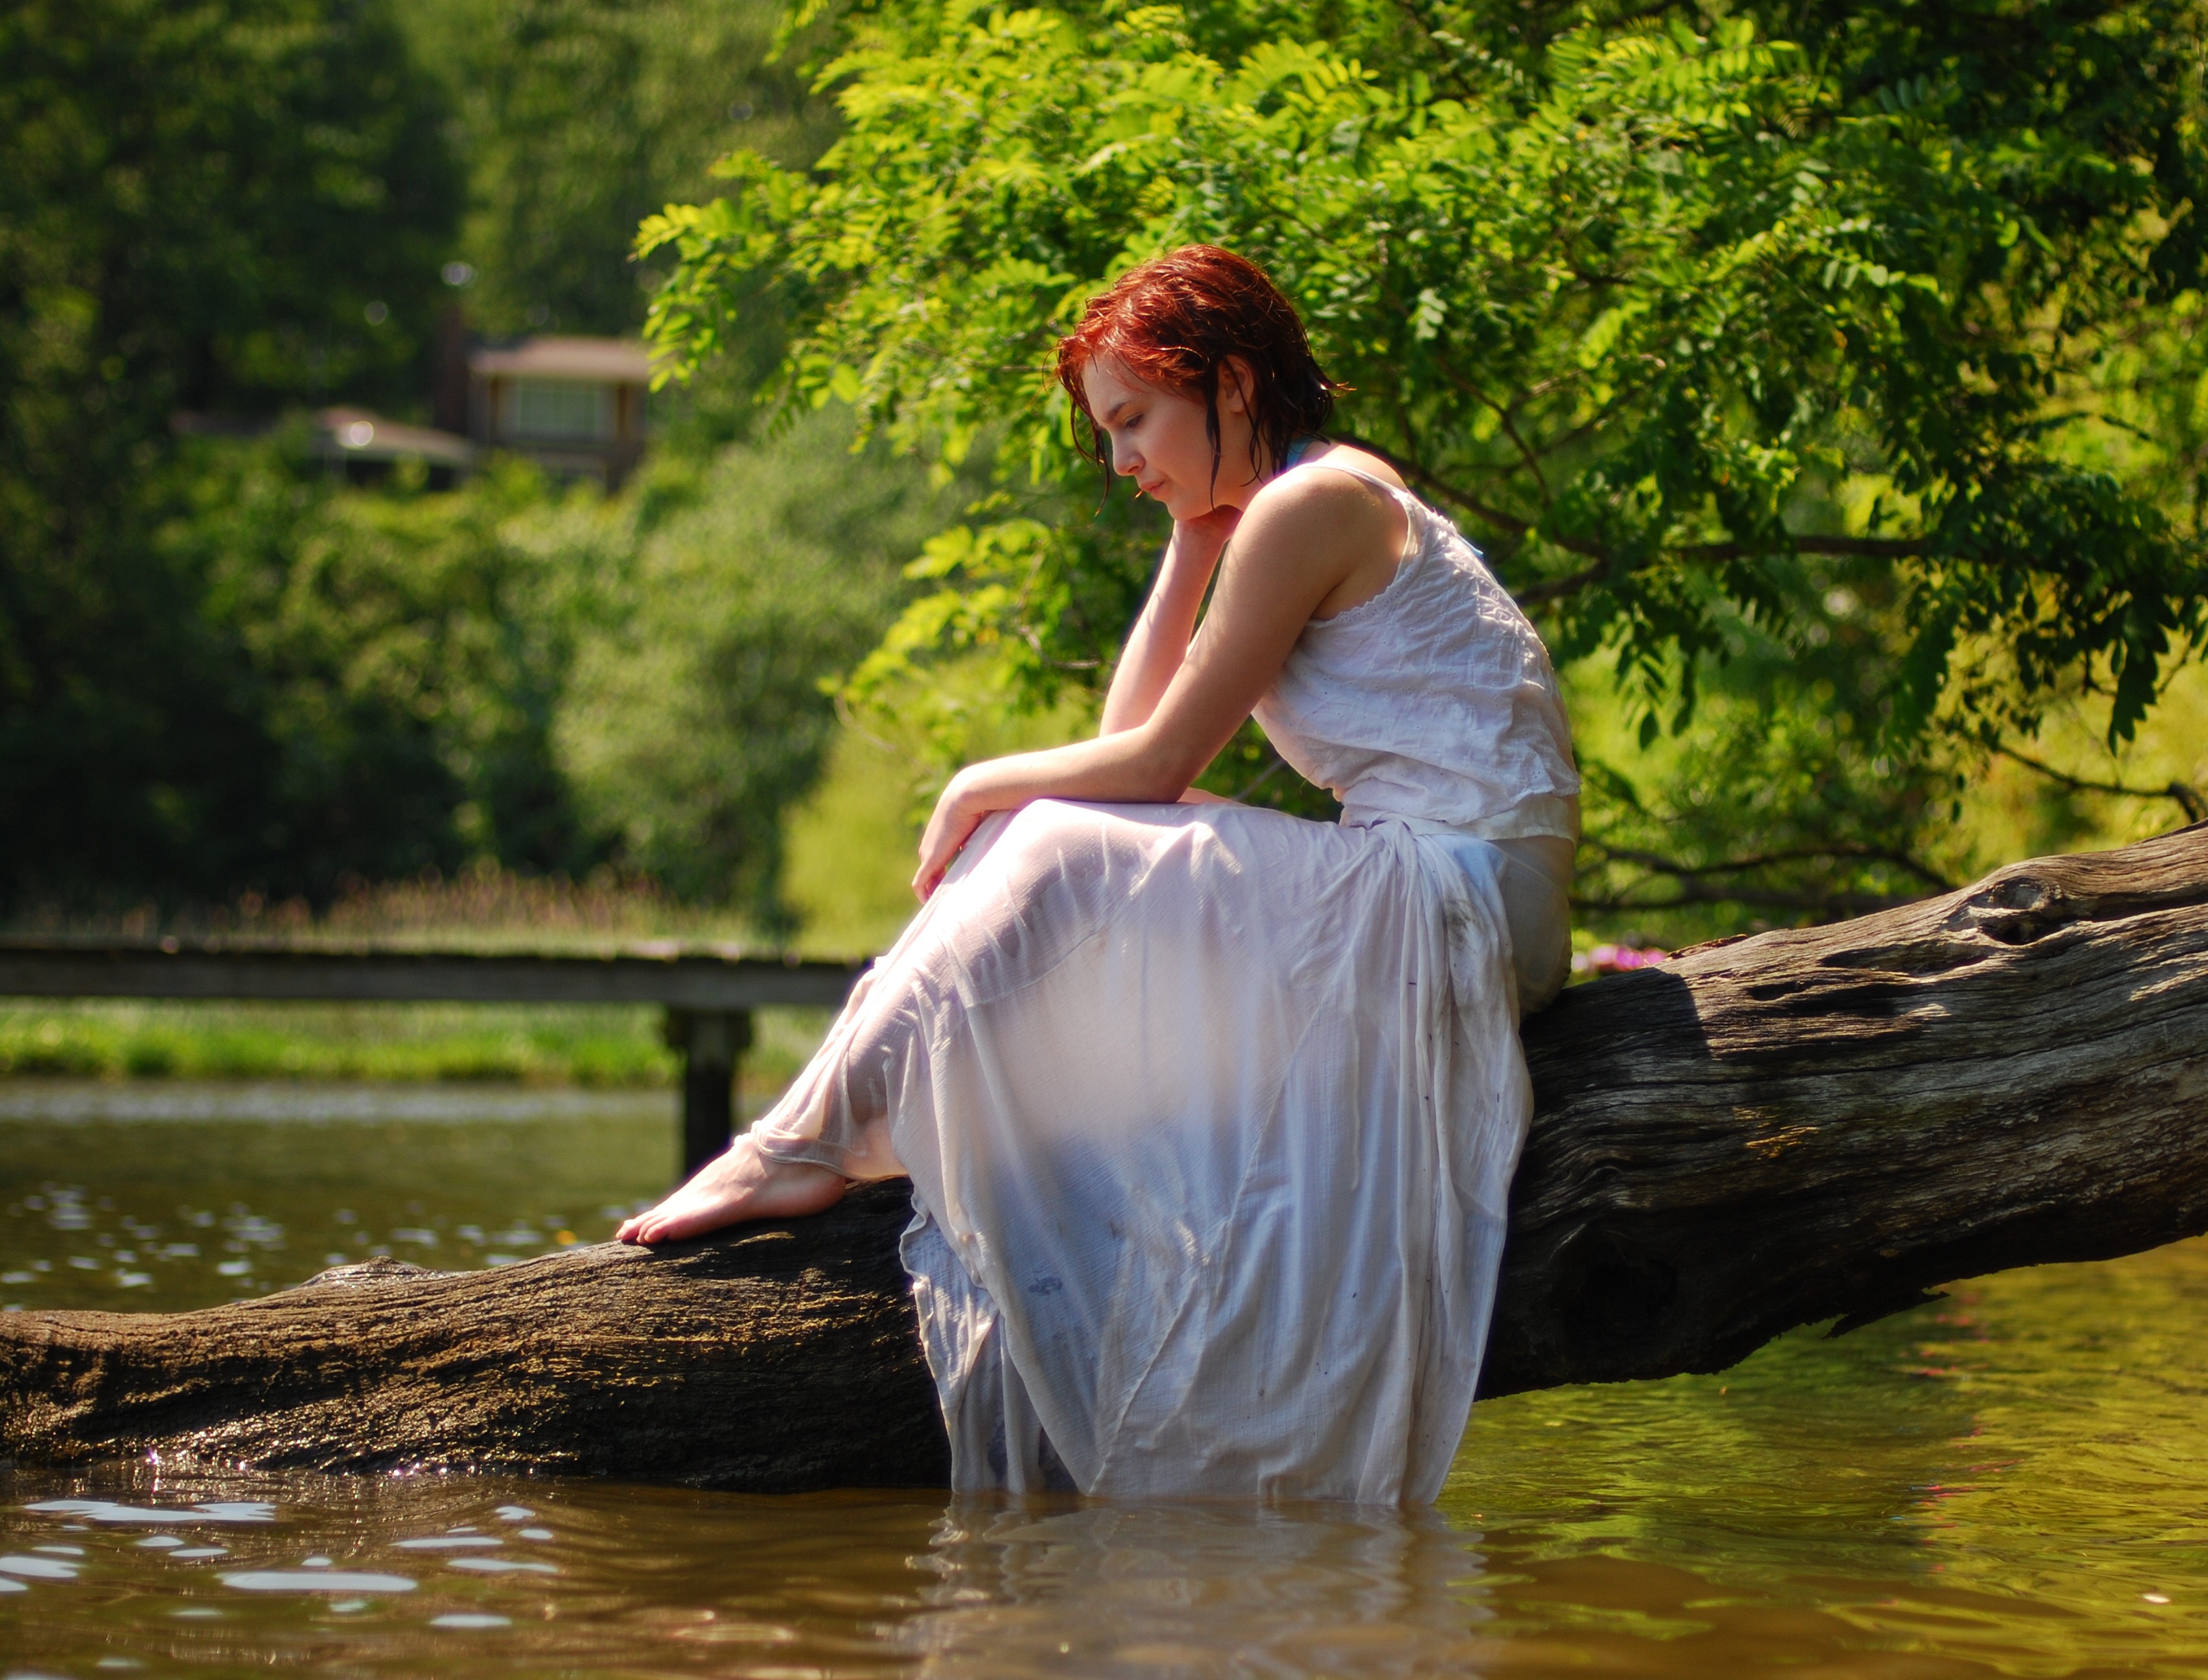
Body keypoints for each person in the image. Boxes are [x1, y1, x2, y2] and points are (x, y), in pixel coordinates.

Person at [617, 246, 1580, 1503]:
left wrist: (979, 779)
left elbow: (1154, 759)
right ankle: (858, 1136)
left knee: (1049, 840)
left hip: (1463, 905)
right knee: (1064, 837)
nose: (1121, 460)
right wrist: (1192, 530)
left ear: (1229, 380)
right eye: (1107, 435)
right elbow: (1140, 743)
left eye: (1135, 421)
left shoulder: (1317, 503)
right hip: (1442, 893)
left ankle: (804, 1144)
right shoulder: (1282, 509)